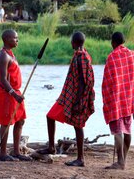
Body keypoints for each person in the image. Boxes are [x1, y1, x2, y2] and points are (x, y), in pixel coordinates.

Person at [37, 31, 95, 167]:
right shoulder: (79, 54)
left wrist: (77, 102)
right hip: (68, 95)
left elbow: (83, 82)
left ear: (74, 43)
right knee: (50, 116)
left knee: (78, 126)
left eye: (71, 41)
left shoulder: (82, 58)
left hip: (76, 97)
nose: (70, 43)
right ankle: (51, 147)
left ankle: (80, 159)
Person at [0, 29, 31, 161]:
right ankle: (2, 154)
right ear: (8, 39)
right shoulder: (3, 56)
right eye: (15, 38)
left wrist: (16, 94)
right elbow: (3, 80)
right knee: (6, 122)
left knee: (20, 121)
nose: (17, 40)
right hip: (7, 94)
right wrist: (14, 94)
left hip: (15, 92)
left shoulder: (11, 54)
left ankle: (16, 151)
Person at [102, 32, 134, 170]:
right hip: (128, 99)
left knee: (117, 131)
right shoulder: (132, 55)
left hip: (115, 100)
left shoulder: (112, 57)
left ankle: (120, 162)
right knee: (127, 129)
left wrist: (106, 99)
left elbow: (107, 82)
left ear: (113, 43)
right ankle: (124, 160)